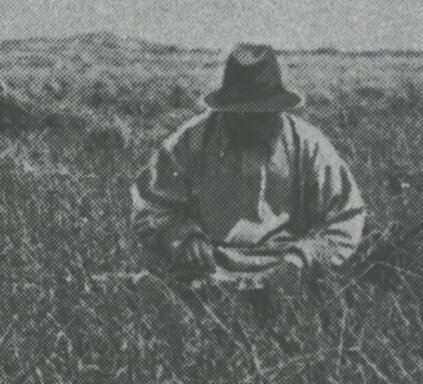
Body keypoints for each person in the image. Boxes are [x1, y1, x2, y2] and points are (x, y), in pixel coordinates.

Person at [131, 43, 365, 291]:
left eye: (260, 114)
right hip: (207, 272)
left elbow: (346, 217)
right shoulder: (189, 141)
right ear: (225, 108)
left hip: (287, 272)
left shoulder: (309, 145)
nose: (249, 123)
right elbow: (150, 207)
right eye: (239, 113)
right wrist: (183, 237)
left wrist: (302, 260)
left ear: (278, 107)